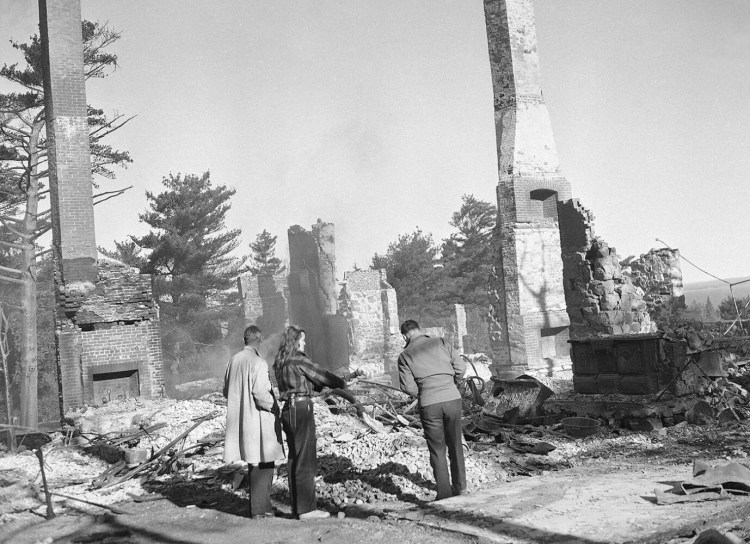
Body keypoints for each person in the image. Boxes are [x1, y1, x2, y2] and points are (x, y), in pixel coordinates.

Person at [274, 326, 361, 520]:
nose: (304, 343)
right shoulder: (298, 359)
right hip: (301, 409)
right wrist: (342, 383)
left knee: (294, 459)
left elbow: (312, 382)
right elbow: (321, 375)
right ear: (295, 341)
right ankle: (307, 511)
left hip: (288, 411)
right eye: (302, 340)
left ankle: (298, 508)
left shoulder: (281, 361)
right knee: (305, 459)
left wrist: (340, 380)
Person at [397, 319, 467, 500]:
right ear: (420, 329)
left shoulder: (405, 356)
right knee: (455, 445)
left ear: (404, 336)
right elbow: (461, 368)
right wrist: (450, 381)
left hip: (429, 404)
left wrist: (424, 387)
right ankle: (461, 488)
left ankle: (444, 494)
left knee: (437, 449)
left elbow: (409, 389)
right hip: (452, 399)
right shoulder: (442, 342)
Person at [223, 325, 285, 519]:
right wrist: (274, 407)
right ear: (260, 339)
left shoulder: (233, 360)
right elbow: (261, 394)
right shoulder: (258, 362)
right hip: (259, 421)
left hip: (242, 420)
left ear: (245, 340)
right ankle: (260, 510)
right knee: (264, 464)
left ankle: (260, 507)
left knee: (253, 462)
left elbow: (226, 391)